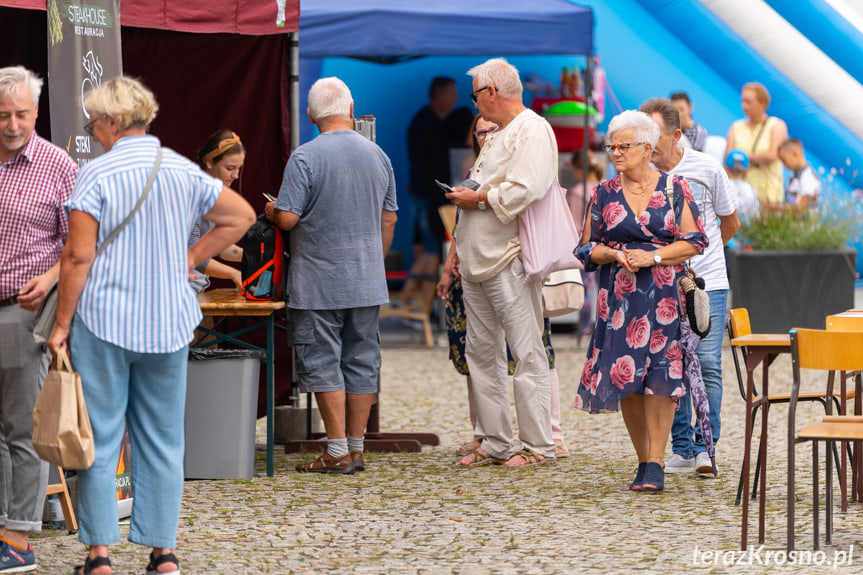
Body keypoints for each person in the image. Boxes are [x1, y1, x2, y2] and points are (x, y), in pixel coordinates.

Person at [46, 76, 255, 575]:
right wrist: (191, 256)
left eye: (94, 121)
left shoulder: (94, 176)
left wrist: (61, 323)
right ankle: (163, 553)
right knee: (163, 438)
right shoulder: (180, 170)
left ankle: (99, 556)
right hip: (167, 321)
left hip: (105, 321)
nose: (93, 131)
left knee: (101, 436)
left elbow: (77, 257)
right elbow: (241, 215)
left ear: (113, 121)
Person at [266, 77, 398, 475]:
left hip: (318, 280)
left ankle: (336, 449)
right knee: (361, 361)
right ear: (351, 109)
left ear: (310, 114)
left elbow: (288, 218)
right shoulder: (378, 155)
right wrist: (373, 259)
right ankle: (356, 449)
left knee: (324, 361)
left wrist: (273, 211)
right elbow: (388, 218)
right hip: (367, 278)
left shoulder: (304, 157)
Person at [574, 109, 708, 492]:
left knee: (662, 379)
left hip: (665, 296)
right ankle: (643, 459)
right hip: (619, 301)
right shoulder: (603, 192)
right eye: (611, 146)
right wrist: (615, 255)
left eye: (623, 146)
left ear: (648, 148)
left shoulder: (674, 188)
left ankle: (657, 462)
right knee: (627, 378)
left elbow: (696, 240)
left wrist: (655, 256)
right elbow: (585, 247)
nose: (615, 153)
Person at [444, 58, 557, 468]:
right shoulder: (502, 133)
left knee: (526, 352)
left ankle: (539, 445)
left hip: (509, 257)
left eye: (475, 93)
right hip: (478, 258)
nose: (474, 102)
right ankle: (494, 440)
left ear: (492, 92)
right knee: (482, 353)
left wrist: (478, 198)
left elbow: (529, 187)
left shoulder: (532, 129)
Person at [0, 65, 77, 573]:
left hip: (23, 313)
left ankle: (20, 537)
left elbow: (81, 244)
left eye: (21, 114)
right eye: (3, 114)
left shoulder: (58, 165)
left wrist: (50, 279)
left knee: (22, 429)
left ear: (36, 111)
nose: (11, 124)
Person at [640, 98, 739, 476]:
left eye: (655, 135)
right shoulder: (641, 173)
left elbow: (729, 223)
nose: (647, 143)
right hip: (661, 282)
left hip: (707, 282)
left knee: (709, 364)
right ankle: (680, 448)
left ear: (676, 135)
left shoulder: (706, 167)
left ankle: (704, 447)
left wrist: (701, 261)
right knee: (670, 366)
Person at [405, 77, 458, 293]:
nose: (455, 98)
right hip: (427, 197)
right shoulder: (427, 123)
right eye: (452, 93)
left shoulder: (431, 120)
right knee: (431, 250)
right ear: (440, 95)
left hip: (423, 195)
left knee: (425, 246)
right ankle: (411, 302)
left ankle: (416, 304)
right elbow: (430, 166)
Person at [188, 130, 247, 292]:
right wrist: (234, 273)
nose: (235, 175)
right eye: (230, 168)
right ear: (209, 162)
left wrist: (254, 256)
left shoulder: (213, 196)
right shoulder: (193, 194)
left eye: (238, 169)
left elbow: (216, 246)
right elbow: (193, 255)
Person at [724, 82, 788, 205]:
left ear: (762, 103)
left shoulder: (776, 125)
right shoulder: (736, 127)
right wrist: (758, 159)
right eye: (743, 101)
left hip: (769, 194)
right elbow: (727, 159)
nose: (744, 106)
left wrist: (743, 158)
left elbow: (772, 155)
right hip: (741, 194)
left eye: (749, 102)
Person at [567, 149, 604, 343]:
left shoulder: (577, 191)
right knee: (604, 287)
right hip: (606, 244)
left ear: (578, 169)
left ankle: (584, 327)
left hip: (587, 246)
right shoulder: (603, 187)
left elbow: (574, 223)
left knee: (587, 288)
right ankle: (602, 324)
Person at [778, 138, 820, 209]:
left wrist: (776, 208)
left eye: (784, 160)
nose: (784, 165)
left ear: (795, 153)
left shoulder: (808, 177)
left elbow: (802, 207)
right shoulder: (796, 176)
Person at [724, 149, 760, 219]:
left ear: (725, 168)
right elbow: (755, 215)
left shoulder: (721, 187)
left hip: (723, 227)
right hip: (746, 228)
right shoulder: (751, 190)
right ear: (746, 171)